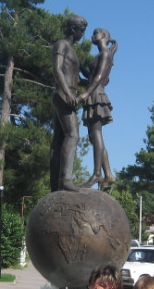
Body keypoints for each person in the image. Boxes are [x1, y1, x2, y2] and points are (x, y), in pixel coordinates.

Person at [50, 14, 88, 192]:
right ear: (73, 29)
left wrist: (91, 82)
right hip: (63, 95)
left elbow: (75, 78)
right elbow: (57, 69)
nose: (83, 34)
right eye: (82, 30)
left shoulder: (72, 51)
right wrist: (66, 92)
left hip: (68, 94)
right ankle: (65, 179)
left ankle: (55, 183)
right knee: (73, 135)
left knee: (58, 141)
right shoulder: (61, 45)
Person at [78, 28, 117, 191]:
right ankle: (108, 174)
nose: (92, 35)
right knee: (94, 138)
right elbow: (91, 76)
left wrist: (86, 93)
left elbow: (99, 77)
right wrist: (79, 66)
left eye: (96, 33)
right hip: (93, 93)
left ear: (104, 36)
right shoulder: (101, 54)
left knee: (96, 134)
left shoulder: (105, 54)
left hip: (96, 95)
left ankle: (97, 174)